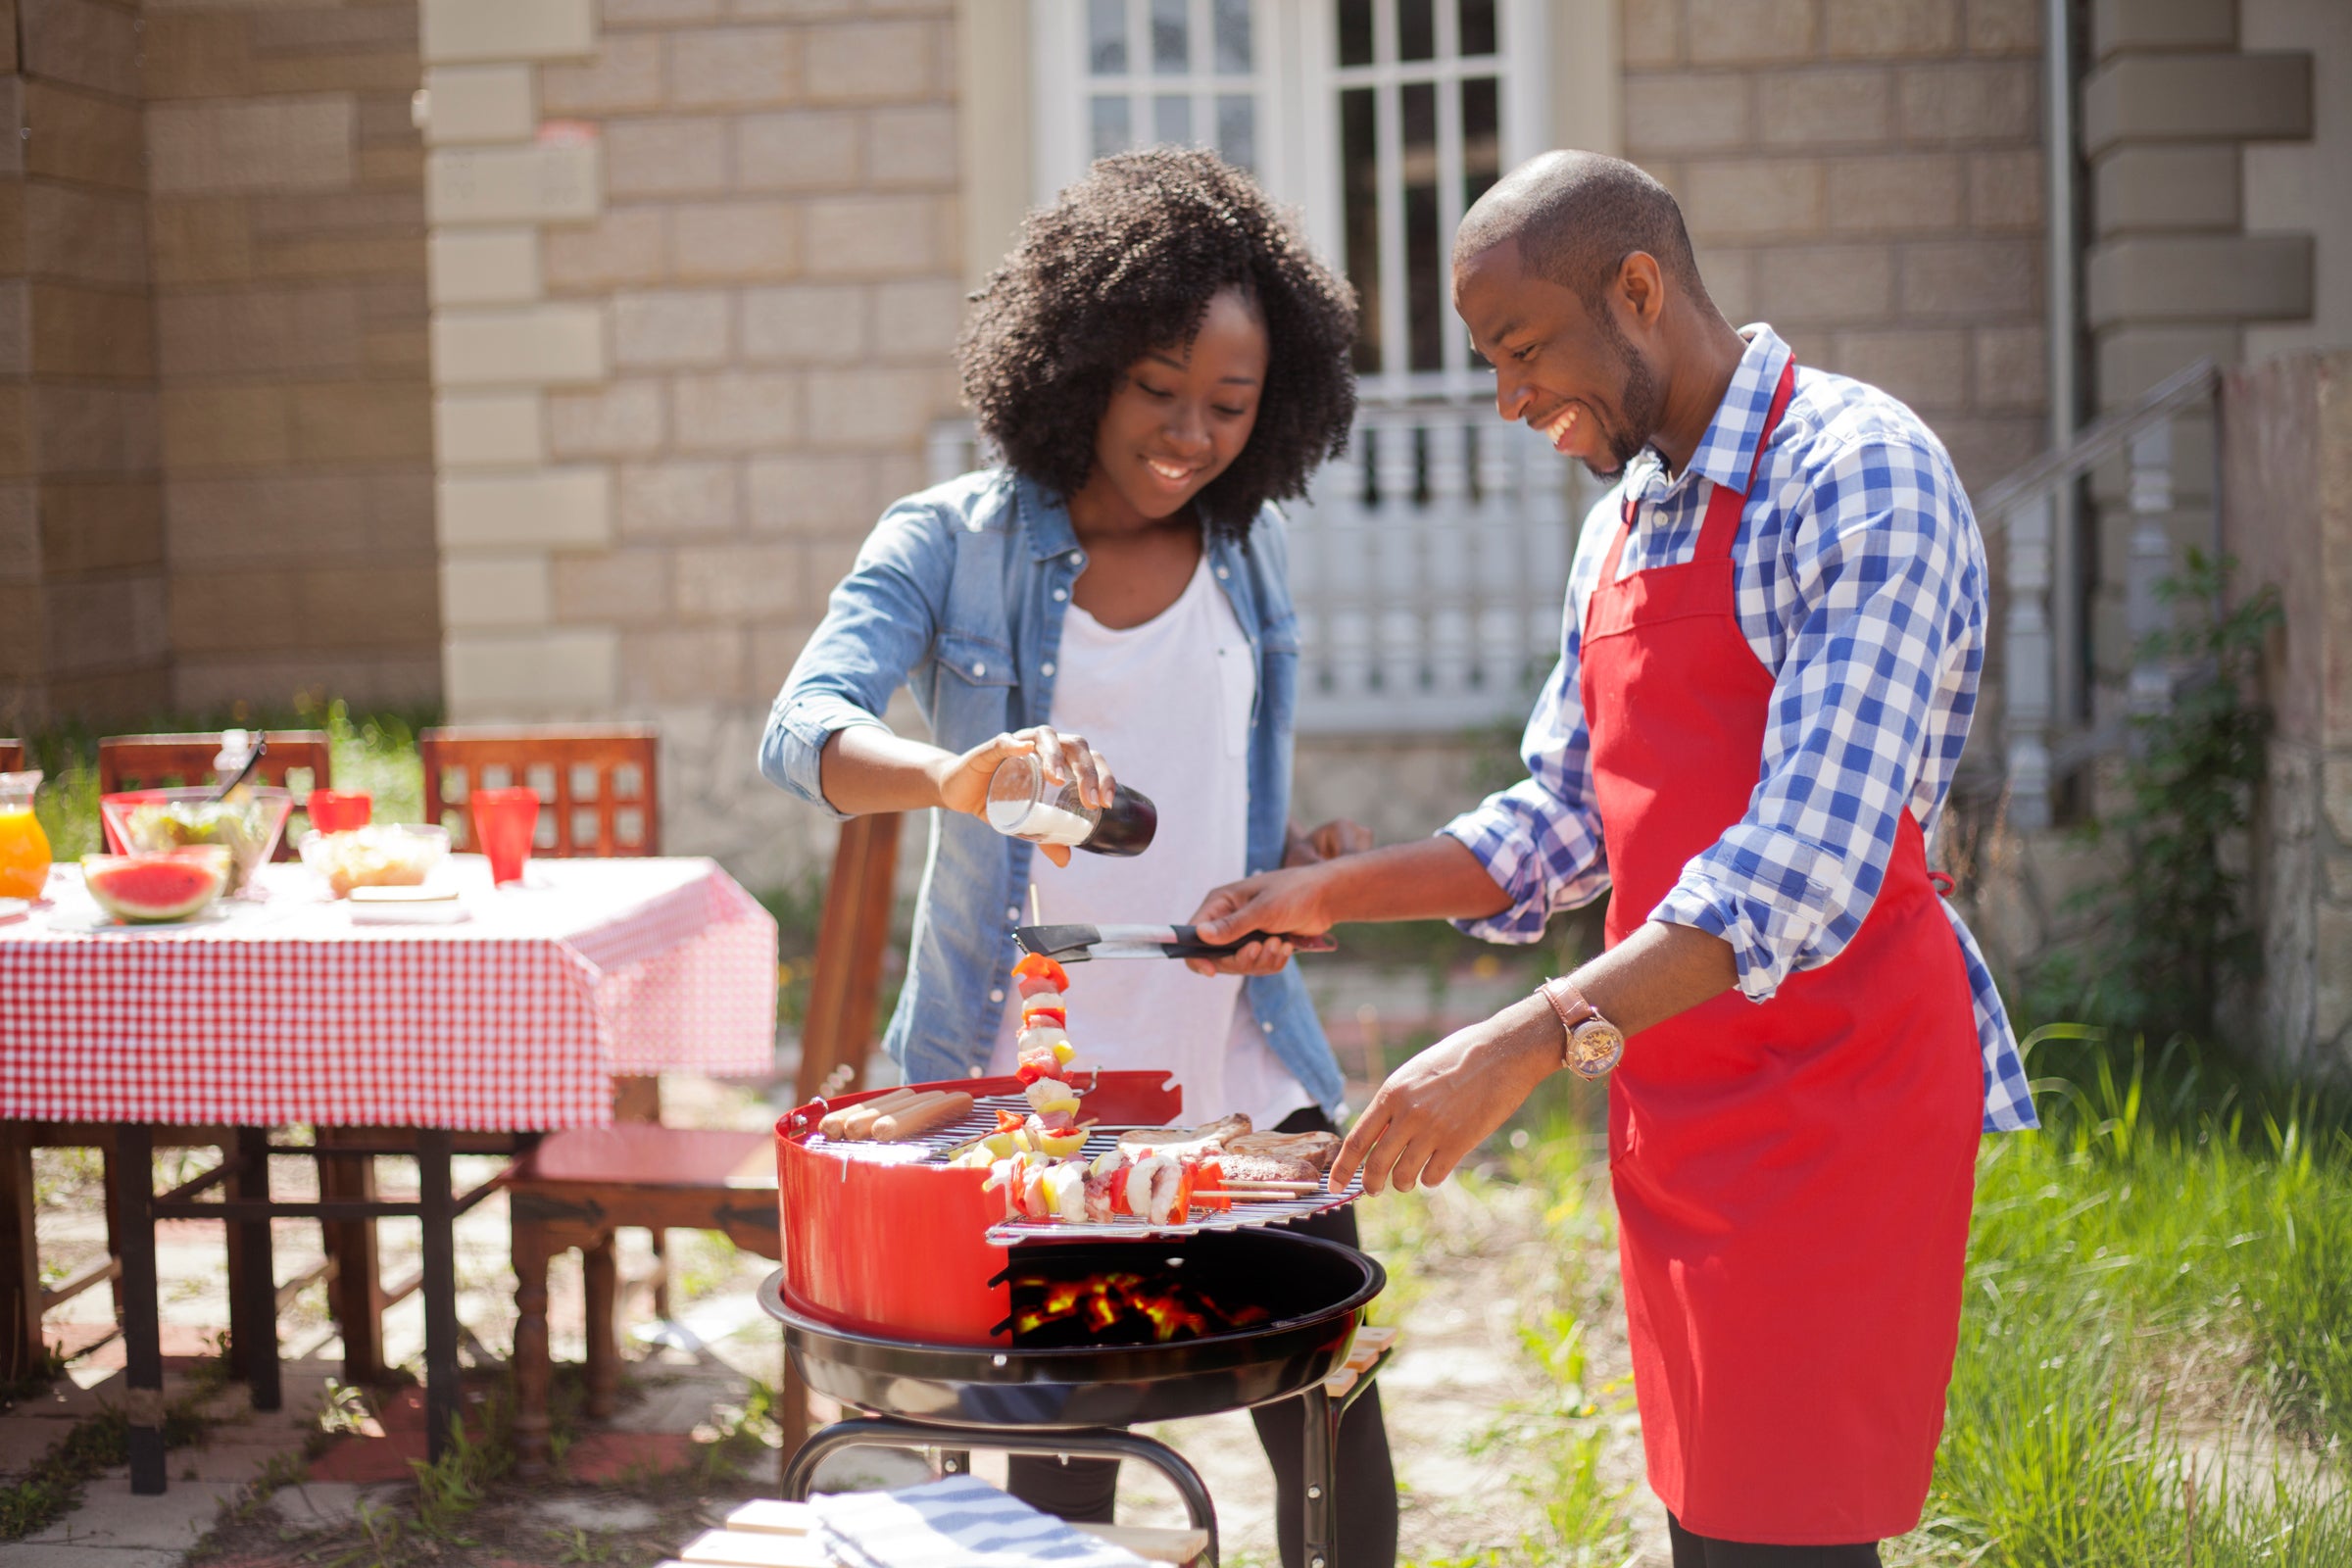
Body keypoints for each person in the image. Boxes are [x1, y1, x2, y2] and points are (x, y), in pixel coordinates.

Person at [1188, 152, 2037, 1567]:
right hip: (1675, 1090)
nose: (1510, 399)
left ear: (1638, 291)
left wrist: (1516, 1043)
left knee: (1794, 1538)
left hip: (1835, 1103)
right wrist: (1319, 895)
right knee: (1710, 1525)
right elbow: (1561, 822)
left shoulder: (1858, 473)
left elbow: (1807, 861)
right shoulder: (1624, 524)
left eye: (1522, 350)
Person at [759, 146, 1397, 1568]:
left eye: (1227, 405)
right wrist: (956, 776)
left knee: (1340, 1451)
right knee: (1066, 1493)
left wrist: (1292, 870)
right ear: (1082, 359)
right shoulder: (950, 542)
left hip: (1241, 1083)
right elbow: (800, 732)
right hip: (1034, 1110)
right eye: (1155, 388)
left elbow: (1214, 784)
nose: (1187, 434)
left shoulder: (1250, 550)